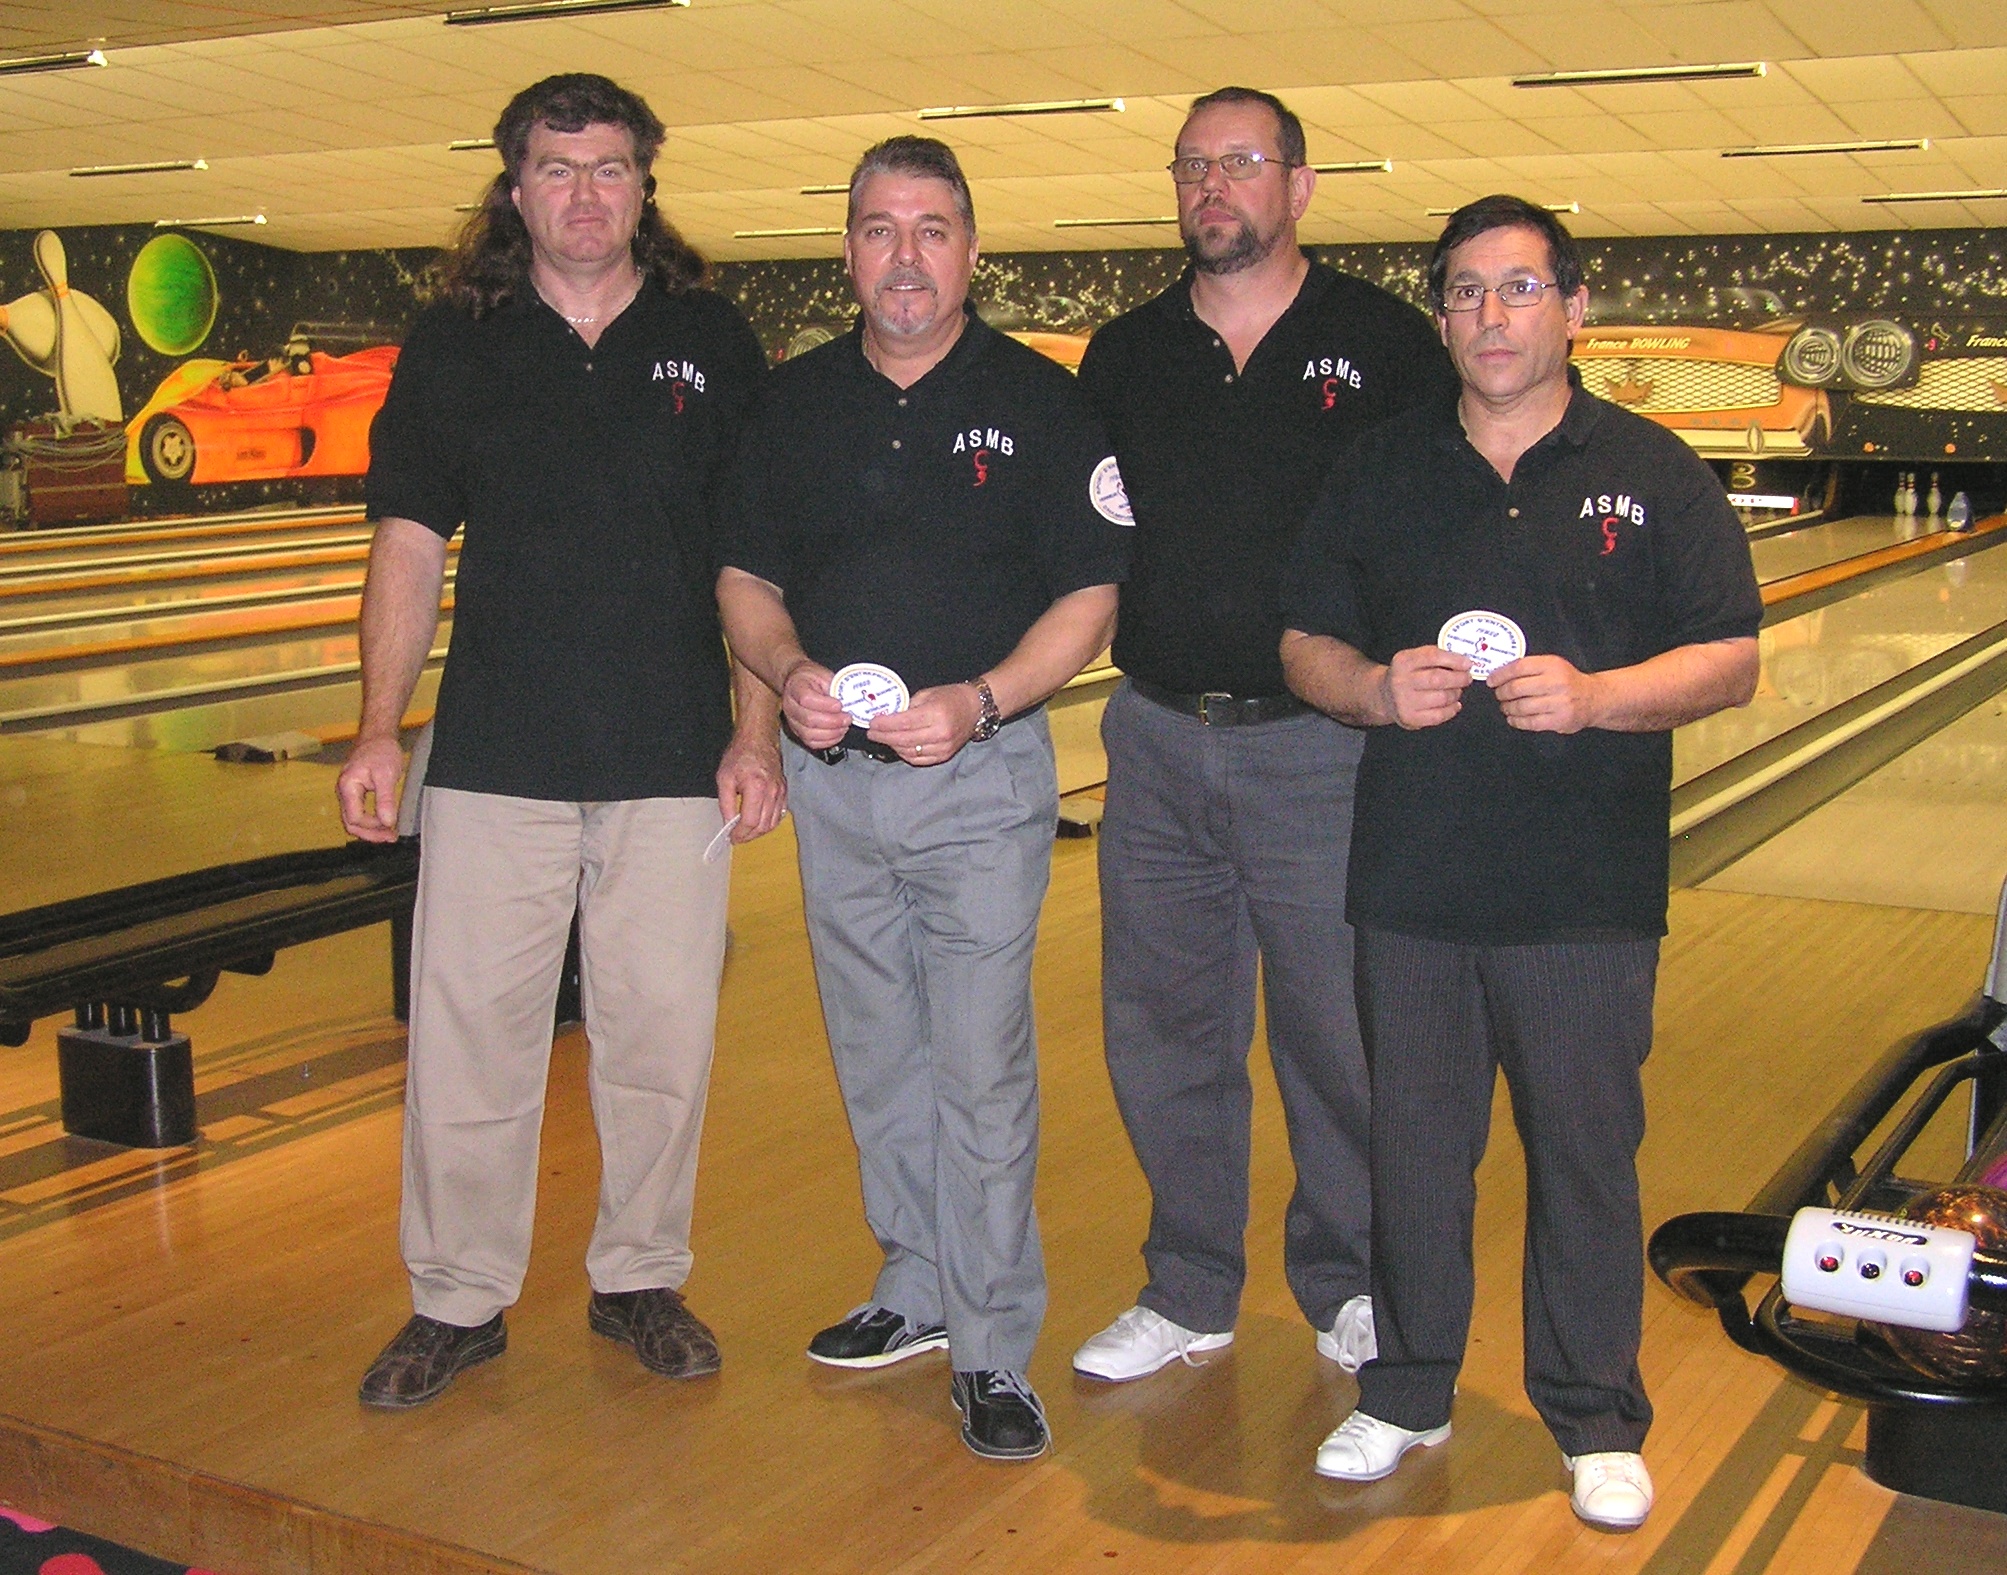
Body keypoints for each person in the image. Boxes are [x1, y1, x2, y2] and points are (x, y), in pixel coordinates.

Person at [1279, 195, 1762, 1528]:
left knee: (1586, 1161)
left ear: (1574, 308)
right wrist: (1373, 689)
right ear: (1441, 317)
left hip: (1585, 895)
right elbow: (1305, 640)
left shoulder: (1655, 469)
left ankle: (1596, 1417)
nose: (1491, 316)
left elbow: (1732, 656)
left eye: (1520, 289)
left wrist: (1600, 697)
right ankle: (1406, 1392)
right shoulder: (1380, 466)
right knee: (1414, 1157)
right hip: (1412, 888)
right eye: (1466, 292)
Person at [337, 72, 784, 1409]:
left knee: (661, 1044)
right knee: (469, 1047)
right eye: (557, 168)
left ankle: (639, 1278)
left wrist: (755, 733)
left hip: (671, 753)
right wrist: (376, 731)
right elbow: (408, 542)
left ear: (645, 185)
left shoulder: (711, 336)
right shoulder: (455, 341)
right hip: (496, 753)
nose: (585, 194)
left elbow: (754, 555)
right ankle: (457, 1299)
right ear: (515, 188)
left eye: (609, 169)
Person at [716, 136, 1129, 1462]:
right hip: (838, 789)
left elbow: (1090, 593)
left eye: (932, 229)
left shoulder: (1041, 401)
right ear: (848, 250)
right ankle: (917, 1282)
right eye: (879, 229)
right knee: (878, 1052)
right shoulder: (791, 404)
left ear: (972, 250)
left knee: (978, 1065)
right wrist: (788, 673)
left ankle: (994, 1342)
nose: (905, 256)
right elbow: (746, 579)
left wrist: (985, 701)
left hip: (980, 785)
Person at [1070, 87, 1453, 1386]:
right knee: (1164, 1035)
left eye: (1240, 162)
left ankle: (1348, 1283)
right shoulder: (1127, 354)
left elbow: (1438, 528)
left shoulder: (1385, 344)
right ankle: (1188, 1288)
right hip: (1156, 738)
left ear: (1299, 184)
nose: (1212, 187)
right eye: (1192, 165)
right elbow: (1082, 538)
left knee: (1337, 1040)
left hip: (1323, 748)